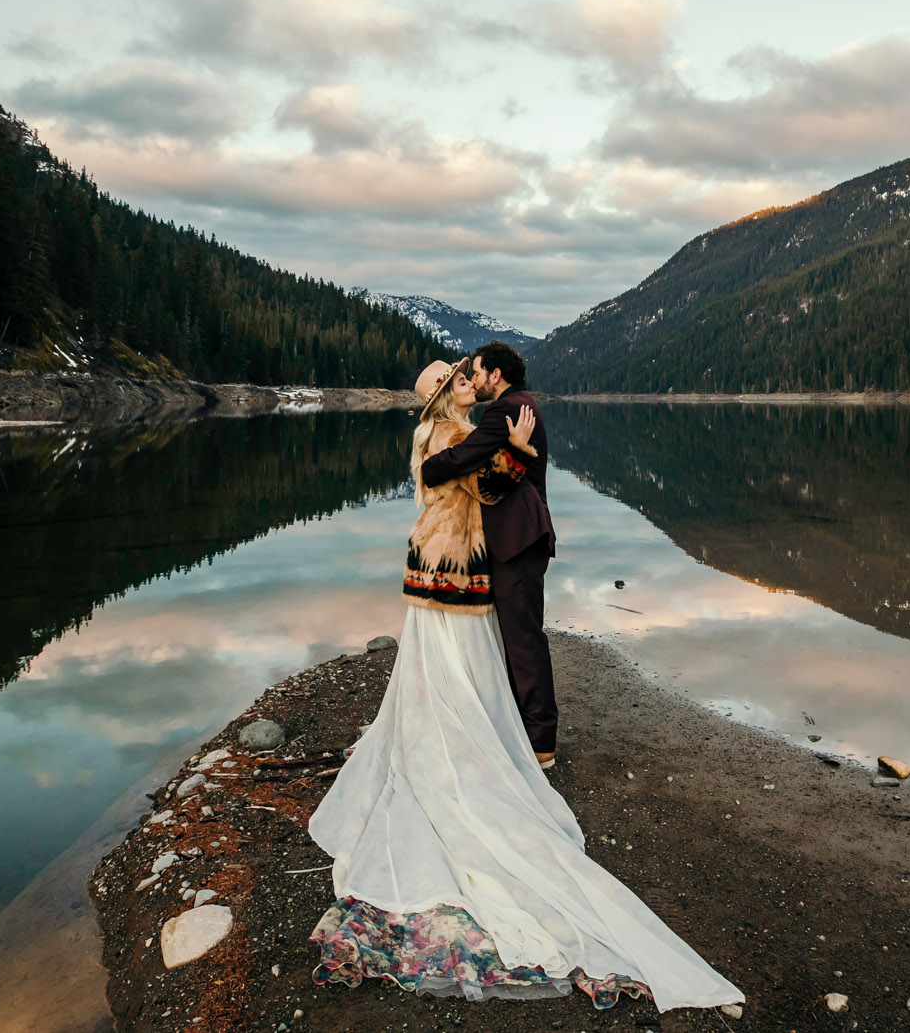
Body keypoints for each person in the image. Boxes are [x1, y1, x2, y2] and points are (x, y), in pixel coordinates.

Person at [305, 356, 743, 1015]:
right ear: (435, 399)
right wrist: (513, 448)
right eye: (451, 380)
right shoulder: (448, 435)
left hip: (429, 568)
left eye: (463, 376)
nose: (462, 382)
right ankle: (476, 739)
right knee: (458, 665)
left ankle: (457, 732)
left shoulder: (432, 433)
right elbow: (483, 491)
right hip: (452, 575)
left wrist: (508, 445)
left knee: (434, 667)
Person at [418, 342, 557, 767]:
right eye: (466, 378)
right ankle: (524, 728)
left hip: (518, 539)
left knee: (523, 639)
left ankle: (540, 743)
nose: (475, 381)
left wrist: (427, 469)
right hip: (517, 539)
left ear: (495, 375)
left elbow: (466, 461)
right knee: (518, 636)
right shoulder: (517, 405)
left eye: (475, 374)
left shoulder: (504, 410)